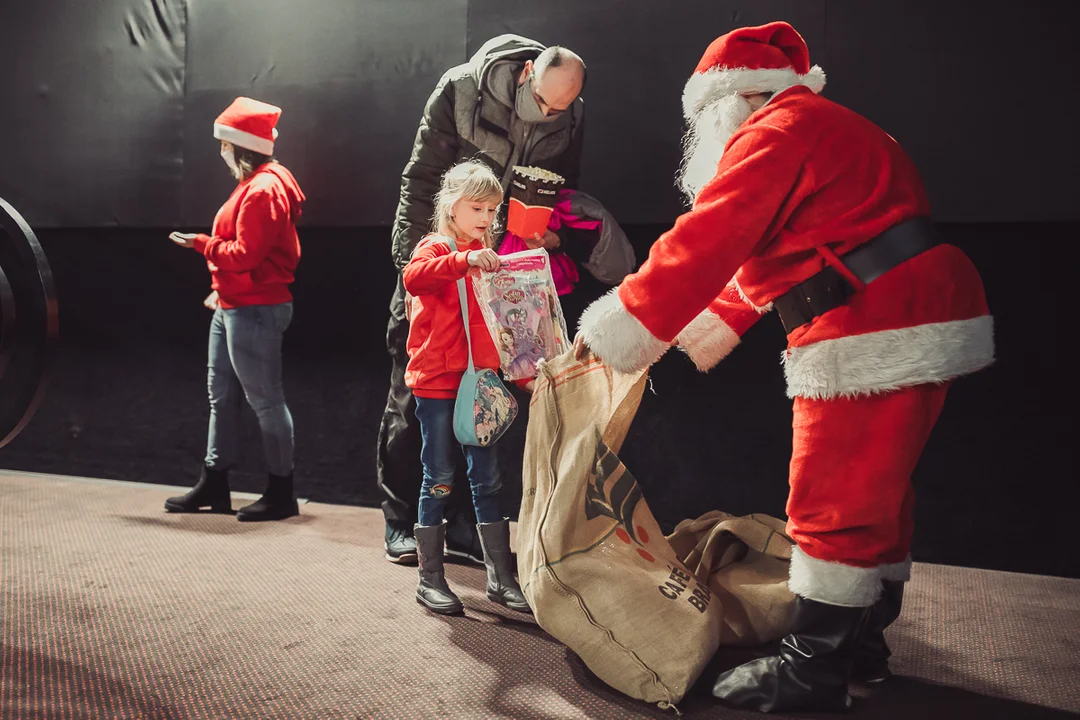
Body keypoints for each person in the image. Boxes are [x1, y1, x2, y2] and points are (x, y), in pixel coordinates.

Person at [574, 22, 993, 713]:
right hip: (916, 305)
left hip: (872, 318)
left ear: (727, 103)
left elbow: (707, 238)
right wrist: (700, 329)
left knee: (832, 490)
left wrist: (624, 327)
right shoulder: (821, 126)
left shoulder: (772, 134)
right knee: (877, 483)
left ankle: (812, 670)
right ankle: (861, 646)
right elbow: (765, 262)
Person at [379, 34, 586, 565]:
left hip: (500, 278)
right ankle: (402, 520)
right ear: (525, 74)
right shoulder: (461, 88)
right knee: (415, 396)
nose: (549, 114)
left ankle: (466, 528)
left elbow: (562, 189)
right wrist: (412, 271)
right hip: (438, 265)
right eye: (543, 101)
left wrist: (544, 234)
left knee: (484, 405)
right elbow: (420, 179)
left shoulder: (568, 116)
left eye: (560, 109)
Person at [165, 97, 306, 523]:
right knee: (221, 397)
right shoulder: (261, 182)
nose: (221, 151)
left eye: (223, 144)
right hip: (235, 305)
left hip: (254, 309)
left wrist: (201, 244)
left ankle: (282, 493)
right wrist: (221, 288)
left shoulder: (263, 188)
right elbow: (251, 258)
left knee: (265, 401)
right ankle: (215, 483)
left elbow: (245, 255)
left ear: (236, 146)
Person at [402, 161, 531, 615]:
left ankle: (500, 578)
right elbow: (413, 278)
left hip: (481, 385)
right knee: (438, 477)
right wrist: (464, 259)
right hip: (438, 384)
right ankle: (430, 579)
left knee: (488, 480)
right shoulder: (435, 247)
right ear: (450, 205)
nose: (485, 218)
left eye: (492, 210)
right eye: (477, 207)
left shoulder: (488, 255)